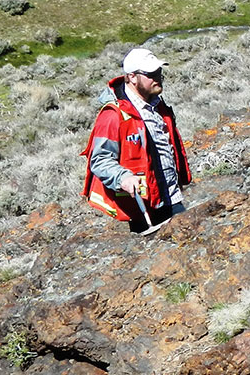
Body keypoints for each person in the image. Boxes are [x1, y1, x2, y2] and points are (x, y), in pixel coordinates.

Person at [82, 48, 191, 235]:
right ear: (132, 77)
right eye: (151, 74)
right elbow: (99, 160)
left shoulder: (158, 106)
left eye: (159, 72)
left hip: (172, 200)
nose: (158, 77)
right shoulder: (113, 116)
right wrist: (122, 177)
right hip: (143, 211)